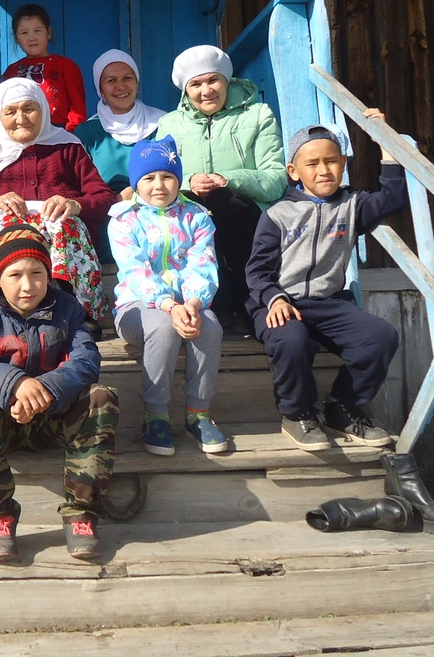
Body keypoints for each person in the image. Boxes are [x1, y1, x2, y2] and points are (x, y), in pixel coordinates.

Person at [0, 223, 119, 563]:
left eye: (37, 273)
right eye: (15, 275)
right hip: (0, 426)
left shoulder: (68, 309)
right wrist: (15, 384)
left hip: (53, 420)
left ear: (48, 274)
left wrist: (46, 389)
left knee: (100, 397)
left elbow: (86, 361)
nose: (28, 285)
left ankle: (81, 514)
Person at [245, 115, 406, 452]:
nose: (324, 170)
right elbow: (257, 271)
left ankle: (342, 406)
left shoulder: (353, 205)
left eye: (332, 161)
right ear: (294, 172)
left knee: (380, 337)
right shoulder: (277, 215)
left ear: (343, 164)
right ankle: (296, 413)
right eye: (313, 163)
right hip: (281, 305)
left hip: (331, 304)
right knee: (291, 341)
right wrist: (274, 299)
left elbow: (393, 197)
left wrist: (385, 141)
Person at [0, 78, 116, 323]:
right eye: (10, 111)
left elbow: (104, 199)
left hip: (62, 243)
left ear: (43, 109)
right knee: (0, 222)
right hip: (13, 244)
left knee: (62, 222)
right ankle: (11, 314)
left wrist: (75, 205)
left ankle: (72, 312)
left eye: (29, 109)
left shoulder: (67, 147)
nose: (21, 119)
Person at [108, 136, 228, 456]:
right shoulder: (123, 219)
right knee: (163, 327)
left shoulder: (197, 216)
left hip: (188, 303)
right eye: (148, 177)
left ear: (179, 179)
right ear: (136, 182)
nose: (159, 185)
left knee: (210, 327)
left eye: (167, 176)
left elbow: (203, 264)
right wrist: (169, 306)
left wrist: (193, 303)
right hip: (136, 307)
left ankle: (198, 414)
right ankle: (156, 415)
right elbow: (135, 271)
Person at [156, 45, 286, 317]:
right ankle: (217, 298)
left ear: (226, 81)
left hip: (246, 221)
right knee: (197, 207)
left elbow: (276, 179)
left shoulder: (257, 115)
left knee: (221, 199)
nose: (206, 91)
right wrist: (188, 182)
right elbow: (157, 180)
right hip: (193, 228)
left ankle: (250, 293)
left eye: (213, 80)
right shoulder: (169, 124)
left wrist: (229, 179)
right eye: (196, 84)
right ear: (185, 90)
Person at [73, 49, 168, 198]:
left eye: (127, 78)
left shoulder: (163, 123)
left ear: (137, 83)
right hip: (106, 208)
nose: (121, 86)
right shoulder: (87, 133)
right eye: (111, 80)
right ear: (100, 90)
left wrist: (136, 192)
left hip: (159, 204)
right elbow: (79, 185)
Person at [4, 4, 87, 131]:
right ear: (16, 38)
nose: (32, 38)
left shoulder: (65, 65)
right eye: (24, 33)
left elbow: (77, 107)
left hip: (59, 133)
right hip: (22, 132)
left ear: (49, 33)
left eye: (37, 31)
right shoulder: (11, 71)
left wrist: (71, 135)